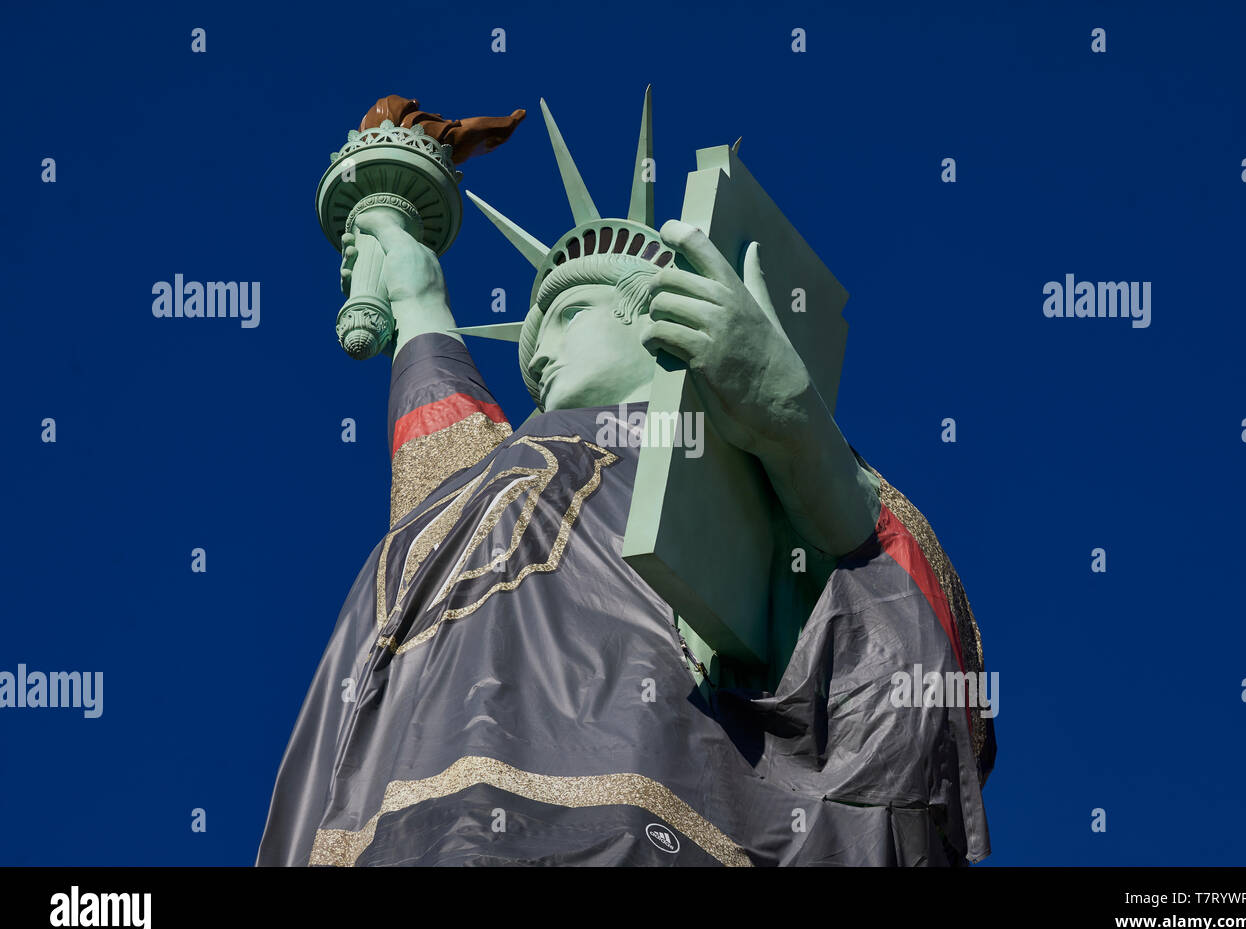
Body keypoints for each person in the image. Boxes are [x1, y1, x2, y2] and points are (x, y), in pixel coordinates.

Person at [257, 99, 994, 867]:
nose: (539, 356)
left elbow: (897, 616)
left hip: (637, 812)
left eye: (569, 313)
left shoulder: (730, 464)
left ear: (659, 315)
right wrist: (413, 289)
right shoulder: (497, 474)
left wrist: (792, 421)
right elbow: (437, 461)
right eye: (533, 340)